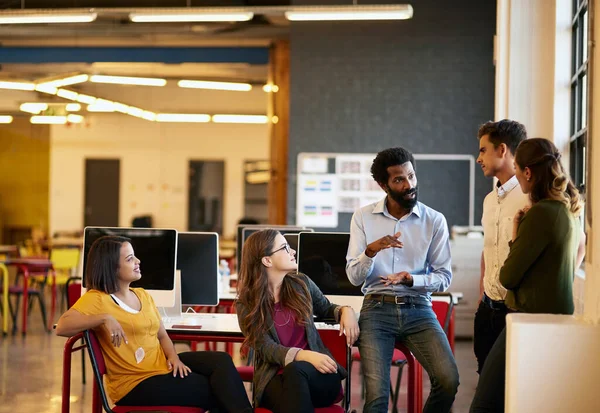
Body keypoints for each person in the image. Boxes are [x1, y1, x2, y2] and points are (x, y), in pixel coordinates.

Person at [56, 235, 253, 412]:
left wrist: (174, 357)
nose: (138, 261)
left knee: (221, 361)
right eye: (129, 259)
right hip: (135, 383)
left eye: (135, 256)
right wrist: (104, 318)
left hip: (161, 366)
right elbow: (63, 326)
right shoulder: (98, 299)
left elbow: (162, 335)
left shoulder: (142, 294)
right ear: (111, 267)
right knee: (217, 389)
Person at [470, 138, 585, 412]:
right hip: (551, 320)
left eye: (519, 170)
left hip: (531, 319)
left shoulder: (541, 213)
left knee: (485, 403)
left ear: (528, 172)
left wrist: (515, 234)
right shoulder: (566, 211)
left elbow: (508, 276)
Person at [346, 147, 459, 413]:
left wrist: (412, 280)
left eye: (411, 176)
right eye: (399, 179)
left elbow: (444, 278)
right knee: (376, 399)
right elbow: (353, 277)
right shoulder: (363, 218)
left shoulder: (434, 221)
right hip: (376, 309)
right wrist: (370, 251)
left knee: (448, 380)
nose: (409, 185)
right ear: (383, 185)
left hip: (418, 309)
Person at [236, 229, 359, 413]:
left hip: (318, 375)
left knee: (296, 373)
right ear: (267, 260)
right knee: (293, 378)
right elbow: (266, 347)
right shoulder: (246, 303)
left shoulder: (301, 284)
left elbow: (327, 308)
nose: (293, 251)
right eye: (285, 248)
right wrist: (303, 355)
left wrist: (346, 310)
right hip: (275, 378)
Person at [474, 119, 529, 374]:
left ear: (503, 150)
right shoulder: (488, 201)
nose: (478, 158)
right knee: (485, 383)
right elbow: (488, 250)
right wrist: (481, 298)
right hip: (487, 311)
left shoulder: (531, 196)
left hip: (516, 312)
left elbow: (578, 242)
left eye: (483, 150)